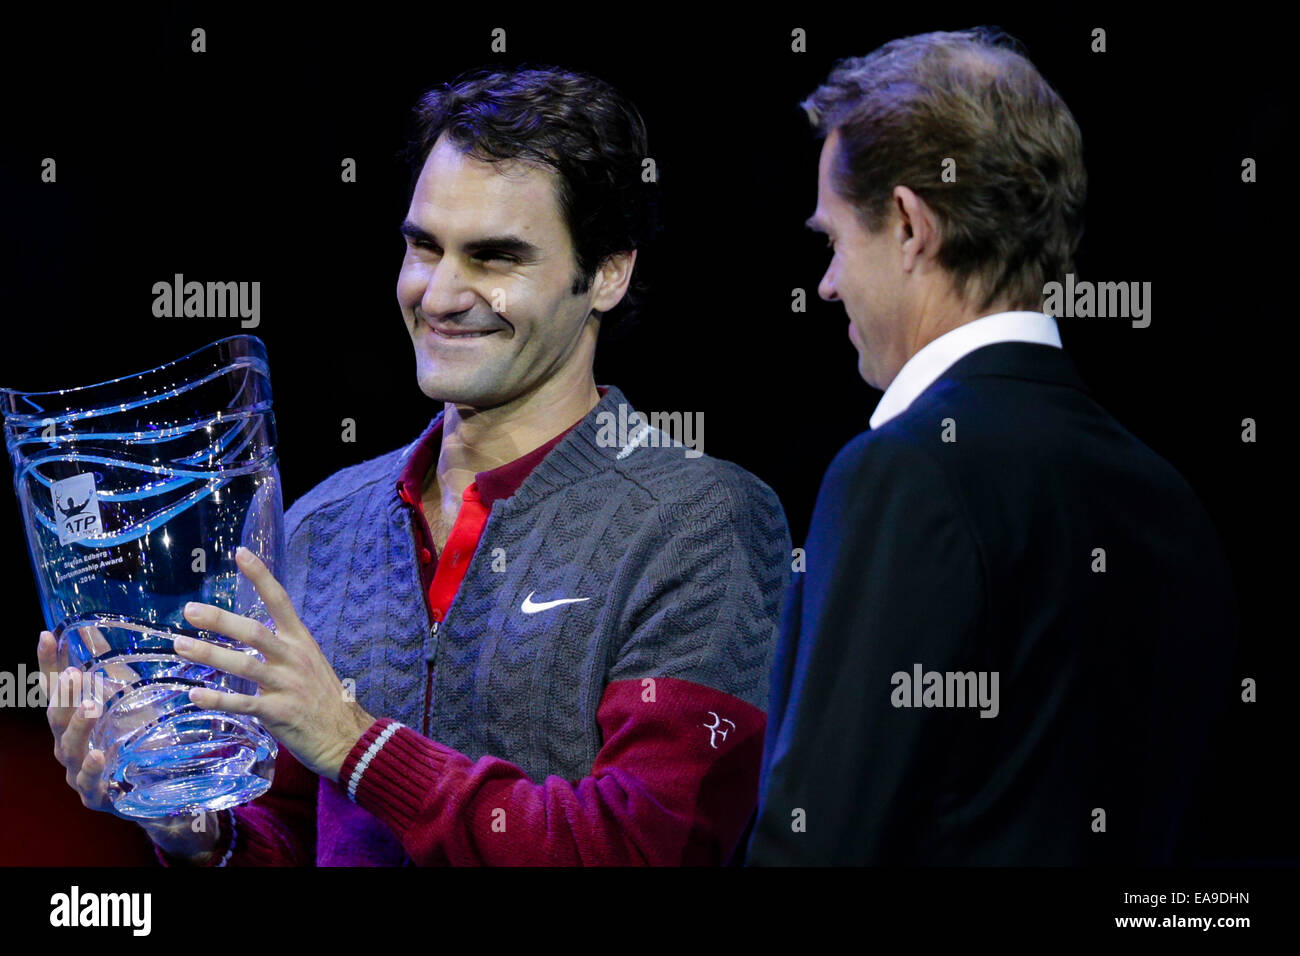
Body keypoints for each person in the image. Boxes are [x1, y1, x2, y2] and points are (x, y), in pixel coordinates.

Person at [40, 65, 791, 866]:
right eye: (424, 247)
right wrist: (190, 824)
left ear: (606, 273)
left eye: (496, 258)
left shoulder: (703, 521)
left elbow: (649, 845)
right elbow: (292, 830)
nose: (439, 295)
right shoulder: (323, 522)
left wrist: (356, 744)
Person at [747, 27, 1236, 865]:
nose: (826, 283)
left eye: (832, 240)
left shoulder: (904, 472)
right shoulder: (1172, 501)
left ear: (908, 225)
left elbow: (820, 839)